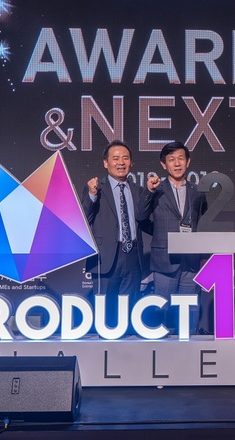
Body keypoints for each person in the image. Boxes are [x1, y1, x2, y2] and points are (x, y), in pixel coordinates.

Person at [137, 141, 208, 335]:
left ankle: (189, 345)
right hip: (164, 259)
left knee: (189, 311)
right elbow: (141, 217)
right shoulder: (156, 190)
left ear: (188, 162)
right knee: (162, 308)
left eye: (180, 159)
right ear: (164, 164)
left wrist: (202, 253)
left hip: (190, 260)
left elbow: (203, 222)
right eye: (171, 159)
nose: (177, 163)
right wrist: (149, 192)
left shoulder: (198, 192)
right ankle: (161, 348)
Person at [81, 140, 151, 333]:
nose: (121, 162)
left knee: (129, 308)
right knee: (106, 310)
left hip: (133, 256)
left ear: (131, 163)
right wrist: (92, 195)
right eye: (116, 158)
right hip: (106, 257)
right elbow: (84, 219)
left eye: (125, 158)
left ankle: (127, 345)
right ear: (106, 163)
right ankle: (105, 343)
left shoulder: (138, 191)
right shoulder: (96, 188)